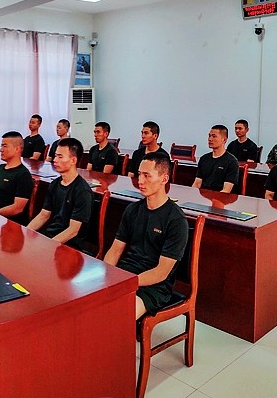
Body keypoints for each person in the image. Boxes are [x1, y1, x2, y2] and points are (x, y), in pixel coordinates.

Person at [103, 151, 190, 319]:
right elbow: (115, 250)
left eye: (147, 176)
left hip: (154, 286)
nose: (140, 181)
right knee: (88, 304)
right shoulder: (132, 210)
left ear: (164, 179)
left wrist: (127, 283)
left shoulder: (176, 220)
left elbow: (161, 272)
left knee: (118, 315)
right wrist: (107, 275)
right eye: (139, 174)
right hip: (125, 273)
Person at [28, 137, 92, 250]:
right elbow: (43, 215)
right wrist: (26, 232)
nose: (55, 160)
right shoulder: (54, 184)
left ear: (73, 160)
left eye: (60, 157)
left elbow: (73, 230)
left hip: (69, 245)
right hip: (51, 237)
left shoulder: (82, 191)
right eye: (55, 156)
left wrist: (48, 245)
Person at [0, 131, 33, 219]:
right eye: (1, 146)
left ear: (17, 149)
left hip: (2, 220)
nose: (1, 150)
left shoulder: (23, 175)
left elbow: (17, 208)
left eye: (5, 146)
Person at [193, 125, 239, 193]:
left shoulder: (232, 162)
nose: (210, 139)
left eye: (214, 136)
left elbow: (226, 190)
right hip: (203, 195)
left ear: (224, 139)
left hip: (220, 197)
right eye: (209, 136)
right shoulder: (204, 159)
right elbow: (197, 183)